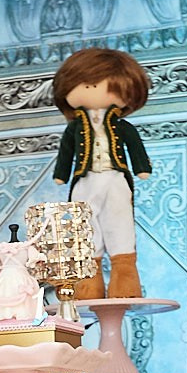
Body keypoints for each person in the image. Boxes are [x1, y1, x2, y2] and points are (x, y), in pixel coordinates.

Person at [51, 47, 152, 299]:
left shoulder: (121, 125)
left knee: (120, 225)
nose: (95, 90)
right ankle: (87, 287)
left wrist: (141, 168)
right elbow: (66, 152)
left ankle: (125, 282)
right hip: (85, 180)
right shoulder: (75, 127)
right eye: (86, 84)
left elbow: (135, 146)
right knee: (85, 229)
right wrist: (61, 174)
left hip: (115, 177)